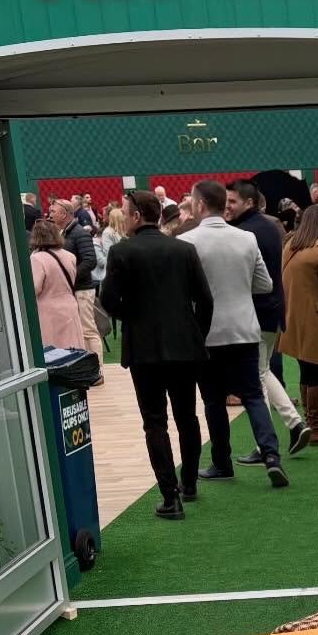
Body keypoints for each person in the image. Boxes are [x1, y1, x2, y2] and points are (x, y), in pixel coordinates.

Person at [99, 189, 215, 520]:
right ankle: (188, 483)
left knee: (154, 422)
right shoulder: (184, 249)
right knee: (186, 416)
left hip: (144, 349)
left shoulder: (122, 252)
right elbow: (205, 300)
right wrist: (195, 335)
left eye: (125, 212)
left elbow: (108, 301)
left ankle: (170, 496)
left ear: (137, 216)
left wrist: (134, 318)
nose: (123, 217)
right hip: (183, 346)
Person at [180, 178, 289, 490]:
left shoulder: (187, 241)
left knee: (213, 400)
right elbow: (265, 284)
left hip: (207, 332)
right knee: (253, 395)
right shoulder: (246, 238)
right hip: (244, 328)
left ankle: (222, 462)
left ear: (200, 204)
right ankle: (271, 456)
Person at [226, 179, 311, 461]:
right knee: (262, 371)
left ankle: (265, 445)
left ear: (249, 202)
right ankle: (295, 424)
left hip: (255, 312)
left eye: (233, 201)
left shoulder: (243, 232)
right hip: (272, 310)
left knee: (256, 378)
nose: (227, 207)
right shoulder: (269, 226)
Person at [278, 205, 318, 446]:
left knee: (306, 372)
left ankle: (309, 423)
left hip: (292, 317)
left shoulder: (289, 245)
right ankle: (316, 428)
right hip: (317, 318)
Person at [48, 198, 103, 375]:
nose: (50, 214)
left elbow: (90, 261)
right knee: (79, 331)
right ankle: (86, 370)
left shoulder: (79, 233)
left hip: (82, 290)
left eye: (53, 211)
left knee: (88, 330)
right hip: (73, 290)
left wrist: (68, 277)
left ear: (64, 213)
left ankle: (97, 371)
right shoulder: (63, 233)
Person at [28, 217, 85, 351]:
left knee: (54, 352)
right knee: (73, 349)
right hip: (70, 305)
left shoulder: (36, 258)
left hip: (48, 311)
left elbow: (35, 288)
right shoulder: (70, 256)